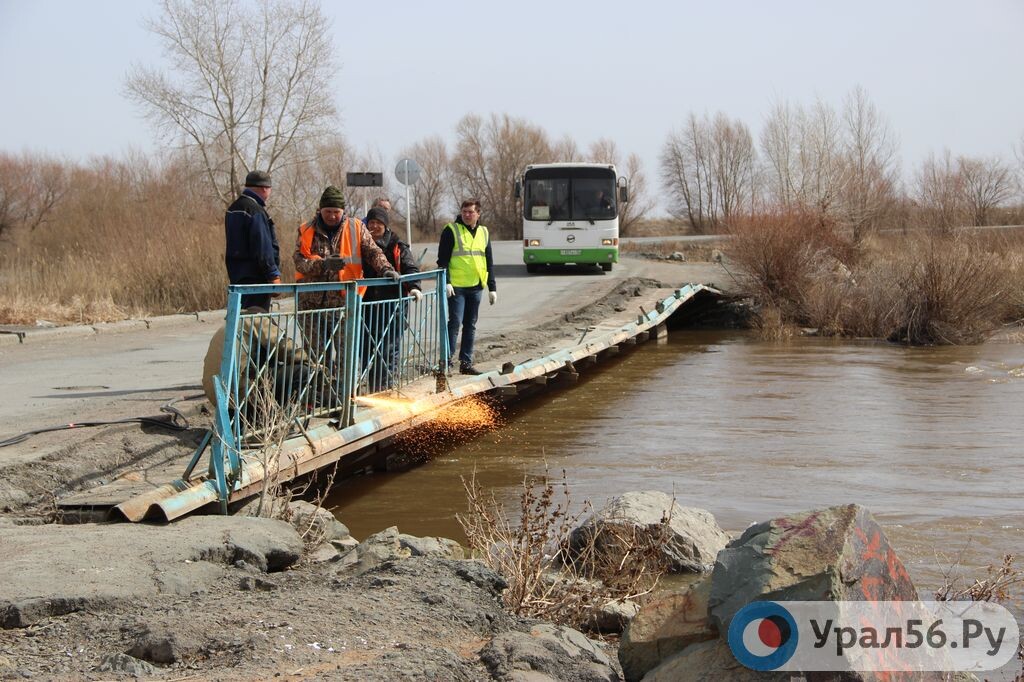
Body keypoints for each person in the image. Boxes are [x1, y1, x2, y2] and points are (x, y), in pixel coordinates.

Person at [293, 186, 399, 372]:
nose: (332, 216)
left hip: (344, 303)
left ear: (343, 211)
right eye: (328, 212)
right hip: (310, 305)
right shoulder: (306, 230)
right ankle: (320, 396)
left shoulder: (356, 227)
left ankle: (347, 395)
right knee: (316, 358)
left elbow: (373, 252)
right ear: (320, 210)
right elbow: (299, 262)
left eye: (336, 212)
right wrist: (323, 265)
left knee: (347, 354)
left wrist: (386, 269)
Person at [361, 206, 422, 391]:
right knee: (364, 347)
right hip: (367, 304)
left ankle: (384, 389)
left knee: (388, 349)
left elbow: (410, 267)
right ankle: (366, 387)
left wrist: (414, 287)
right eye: (371, 222)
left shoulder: (397, 245)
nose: (374, 226)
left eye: (378, 223)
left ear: (385, 225)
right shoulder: (361, 245)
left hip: (392, 306)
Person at [437, 198, 497, 375]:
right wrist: (446, 281)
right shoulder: (451, 230)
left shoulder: (484, 232)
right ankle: (446, 362)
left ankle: (466, 363)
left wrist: (492, 287)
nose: (467, 215)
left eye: (471, 212)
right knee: (454, 323)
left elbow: (489, 261)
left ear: (478, 213)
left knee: (470, 325)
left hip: (476, 286)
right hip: (457, 287)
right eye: (464, 212)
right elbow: (442, 261)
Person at [224, 170, 281, 311]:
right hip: (257, 279)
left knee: (241, 320)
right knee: (256, 322)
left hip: (237, 276)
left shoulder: (233, 208)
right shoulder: (256, 211)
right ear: (264, 188)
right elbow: (263, 247)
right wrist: (273, 276)